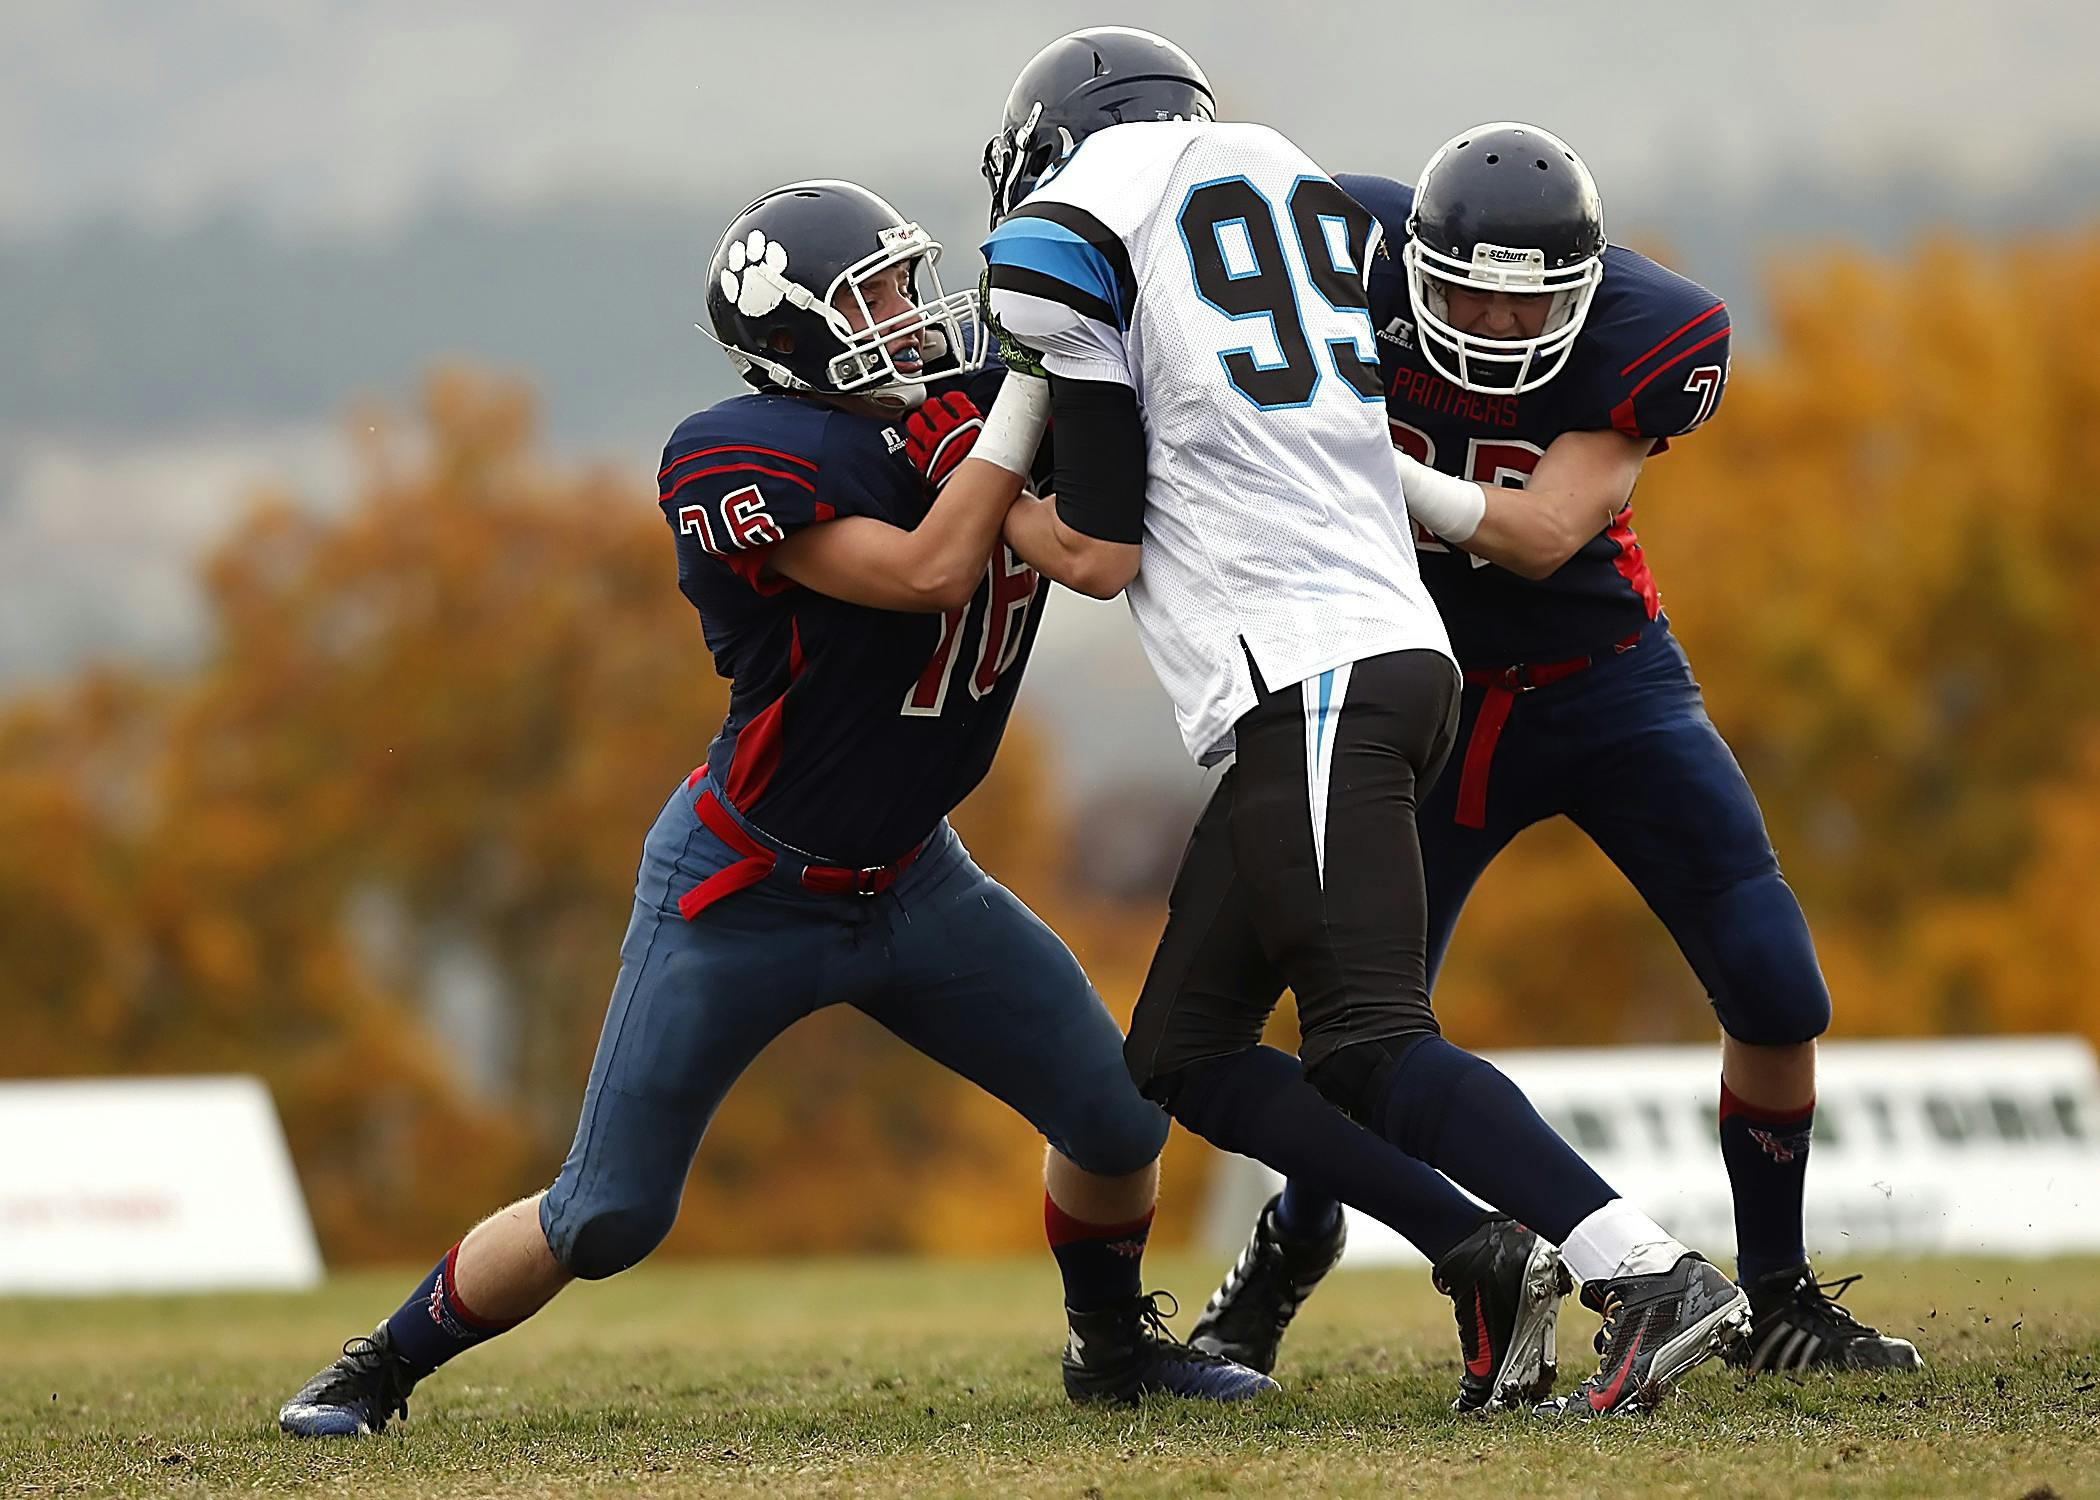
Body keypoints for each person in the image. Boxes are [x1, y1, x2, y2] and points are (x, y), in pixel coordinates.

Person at [276, 179, 1275, 1438]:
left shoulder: (967, 404)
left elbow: (1104, 521)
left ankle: (1110, 1348)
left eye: (911, 286)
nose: (914, 318)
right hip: (744, 888)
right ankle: (374, 1368)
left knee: (1118, 1114)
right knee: (608, 1215)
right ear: (791, 337)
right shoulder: (745, 455)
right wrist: (1028, 395)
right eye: (877, 298)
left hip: (917, 878)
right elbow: (927, 570)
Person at [978, 30, 1748, 1417]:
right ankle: (1478, 1256)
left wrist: (979, 484)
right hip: (1367, 654)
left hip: (1313, 667)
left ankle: (1647, 1270)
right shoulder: (1284, 176)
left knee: (1369, 1040)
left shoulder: (1074, 220)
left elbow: (1097, 548)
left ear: (1055, 141)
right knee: (1185, 1055)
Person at [1190, 123, 1922, 1379]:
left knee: (1777, 986)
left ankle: (1780, 1291)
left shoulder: (1656, 331)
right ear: (1410, 260)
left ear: (1590, 288)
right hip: (1416, 700)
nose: (1491, 322)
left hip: (1604, 688)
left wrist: (1351, 453)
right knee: (1355, 1039)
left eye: (1528, 299)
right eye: (1464, 287)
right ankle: (1289, 1246)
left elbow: (1536, 536)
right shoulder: (1330, 251)